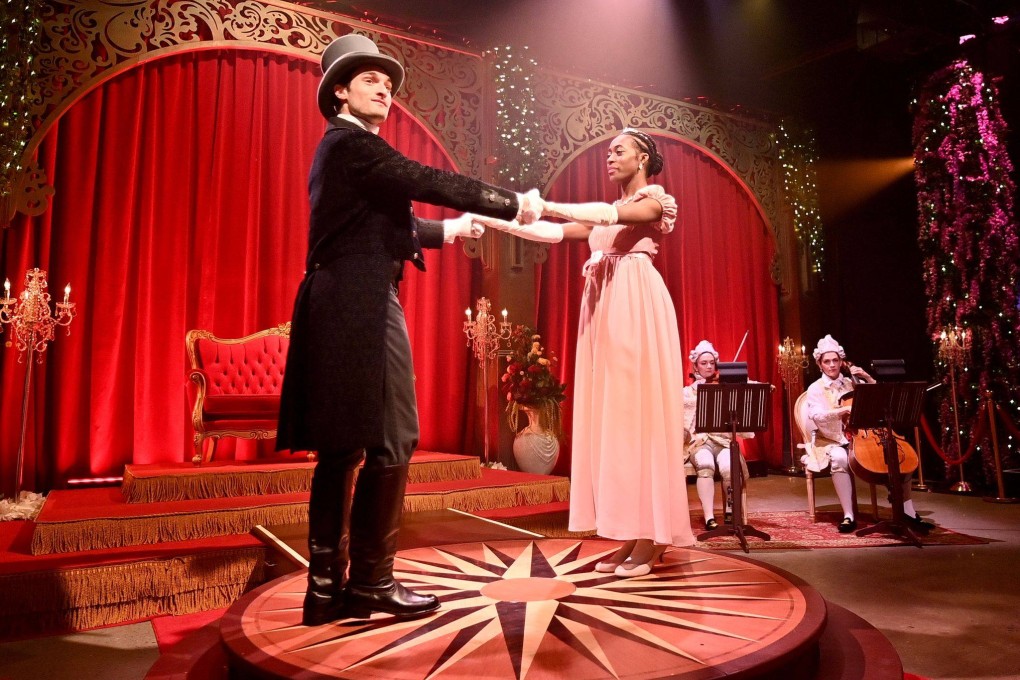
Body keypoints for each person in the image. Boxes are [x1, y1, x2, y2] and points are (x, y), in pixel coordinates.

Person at [277, 34, 542, 627]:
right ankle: (370, 582)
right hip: (361, 302)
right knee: (394, 437)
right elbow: (421, 177)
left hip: (340, 299)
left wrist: (450, 231)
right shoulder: (352, 144)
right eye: (371, 80)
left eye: (390, 84)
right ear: (339, 92)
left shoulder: (346, 151)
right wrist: (507, 204)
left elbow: (376, 225)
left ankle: (326, 591)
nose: (386, 90)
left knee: (344, 448)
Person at [473, 128, 695, 577]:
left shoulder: (657, 200)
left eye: (619, 151)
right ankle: (633, 532)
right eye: (607, 153)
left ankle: (653, 539)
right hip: (605, 308)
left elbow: (611, 213)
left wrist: (548, 201)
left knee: (638, 417)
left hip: (635, 305)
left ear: (644, 157)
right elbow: (553, 234)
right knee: (616, 419)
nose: (609, 158)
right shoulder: (608, 214)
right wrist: (501, 215)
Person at [804, 334, 934, 534]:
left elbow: (879, 399)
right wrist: (841, 411)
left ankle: (908, 512)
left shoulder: (851, 382)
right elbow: (816, 415)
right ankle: (849, 515)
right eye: (827, 362)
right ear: (820, 364)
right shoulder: (815, 388)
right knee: (839, 458)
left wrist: (866, 378)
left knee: (897, 455)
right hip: (832, 439)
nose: (832, 365)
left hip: (862, 436)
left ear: (841, 361)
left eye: (835, 360)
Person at [682, 340, 752, 530]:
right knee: (705, 465)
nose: (708, 367)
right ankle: (709, 517)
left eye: (712, 363)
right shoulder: (687, 393)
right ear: (695, 366)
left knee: (729, 467)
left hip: (723, 441)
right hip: (700, 442)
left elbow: (748, 385)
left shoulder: (725, 387)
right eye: (703, 363)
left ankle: (730, 513)